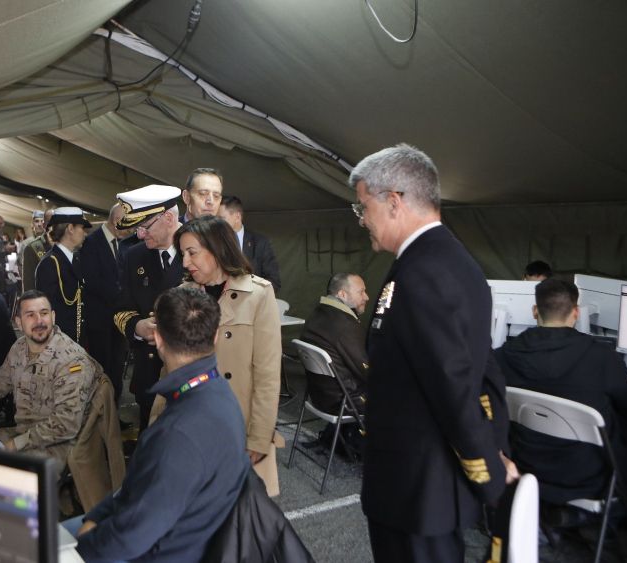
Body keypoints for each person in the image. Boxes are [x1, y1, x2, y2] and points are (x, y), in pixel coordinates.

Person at [352, 144, 517, 562]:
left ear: (393, 201)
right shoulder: (425, 261)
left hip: (421, 491)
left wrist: (490, 473)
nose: (362, 221)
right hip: (410, 485)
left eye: (363, 208)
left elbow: (457, 383)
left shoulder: (429, 270)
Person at [72, 287, 249, 561]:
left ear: (156, 338)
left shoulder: (179, 433)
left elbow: (131, 538)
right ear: (215, 337)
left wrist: (87, 541)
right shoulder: (218, 394)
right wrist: (97, 516)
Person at [495, 278, 627, 507]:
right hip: (591, 478)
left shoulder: (502, 358)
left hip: (527, 469)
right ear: (576, 313)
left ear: (535, 311)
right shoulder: (601, 358)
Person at [174, 216, 283, 496]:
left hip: (237, 425)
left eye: (192, 252)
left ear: (217, 248)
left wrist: (259, 438)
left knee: (238, 516)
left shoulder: (258, 294)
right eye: (182, 254)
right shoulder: (181, 295)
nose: (185, 263)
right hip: (190, 422)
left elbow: (268, 372)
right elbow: (171, 372)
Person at [0, 290, 100, 470]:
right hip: (25, 434)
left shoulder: (72, 361)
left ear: (53, 317)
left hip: (59, 446)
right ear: (19, 322)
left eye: (44, 313)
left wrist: (16, 445)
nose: (39, 321)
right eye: (30, 315)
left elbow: (66, 425)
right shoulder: (19, 348)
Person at [113, 185, 185, 431]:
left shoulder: (199, 250)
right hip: (149, 374)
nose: (141, 235)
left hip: (187, 376)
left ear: (168, 218)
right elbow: (121, 308)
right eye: (137, 229)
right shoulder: (134, 256)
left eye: (145, 227)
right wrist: (137, 327)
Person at [81, 203, 131, 404]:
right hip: (99, 321)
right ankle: (99, 416)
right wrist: (122, 296)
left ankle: (114, 415)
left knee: (117, 368)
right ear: (116, 220)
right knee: (102, 369)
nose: (132, 228)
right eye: (128, 223)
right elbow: (93, 281)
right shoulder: (91, 243)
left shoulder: (126, 243)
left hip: (119, 320)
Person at [299, 272, 369, 415]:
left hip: (320, 397)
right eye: (361, 292)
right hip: (347, 401)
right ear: (342, 295)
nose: (366, 297)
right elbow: (367, 371)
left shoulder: (318, 314)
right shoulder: (344, 325)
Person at [36, 207, 91, 343]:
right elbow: (46, 312)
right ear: (70, 228)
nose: (85, 233)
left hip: (77, 341)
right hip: (60, 345)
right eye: (82, 228)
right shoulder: (50, 264)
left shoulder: (75, 260)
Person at [218, 195, 281, 289]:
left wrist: (250, 294)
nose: (216, 223)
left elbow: (274, 281)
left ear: (237, 217)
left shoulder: (260, 243)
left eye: (221, 219)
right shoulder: (213, 242)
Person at [22, 210, 52, 292]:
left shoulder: (57, 241)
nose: (39, 224)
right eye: (36, 221)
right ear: (32, 224)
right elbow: (23, 270)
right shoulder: (27, 244)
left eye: (42, 221)